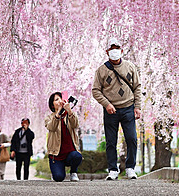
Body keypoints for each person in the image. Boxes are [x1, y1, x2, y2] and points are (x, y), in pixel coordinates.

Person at [92, 37, 142, 180]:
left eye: (117, 48)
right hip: (111, 110)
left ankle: (130, 168)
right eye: (111, 49)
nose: (114, 51)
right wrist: (106, 104)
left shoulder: (130, 66)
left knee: (132, 139)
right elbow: (96, 90)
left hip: (128, 108)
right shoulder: (101, 70)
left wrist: (137, 106)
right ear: (107, 51)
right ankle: (113, 169)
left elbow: (137, 87)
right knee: (111, 141)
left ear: (121, 50)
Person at [45, 92, 82, 182]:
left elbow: (75, 125)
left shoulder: (69, 115)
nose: (60, 101)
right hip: (56, 155)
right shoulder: (49, 118)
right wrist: (58, 114)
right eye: (56, 99)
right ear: (52, 105)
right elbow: (51, 127)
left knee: (77, 156)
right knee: (58, 178)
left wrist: (69, 111)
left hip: (70, 153)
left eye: (60, 98)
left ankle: (73, 172)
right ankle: (57, 171)